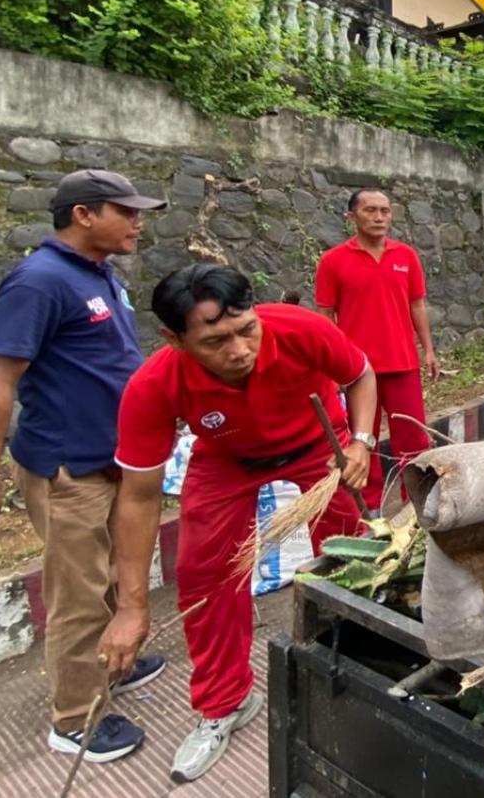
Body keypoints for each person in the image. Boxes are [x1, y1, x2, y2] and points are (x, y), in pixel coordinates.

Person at [100, 264, 379, 783]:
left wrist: (361, 441)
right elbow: (138, 496)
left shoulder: (300, 329)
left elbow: (360, 374)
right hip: (227, 460)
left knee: (355, 556)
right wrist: (131, 606)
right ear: (174, 339)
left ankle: (367, 666)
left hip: (319, 446)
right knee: (204, 576)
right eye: (215, 341)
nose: (239, 350)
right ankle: (224, 703)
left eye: (247, 329)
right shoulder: (154, 385)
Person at [0, 169, 167, 764]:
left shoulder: (99, 273)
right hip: (69, 468)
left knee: (113, 572)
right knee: (79, 592)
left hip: (113, 458)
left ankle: (111, 664)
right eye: (126, 211)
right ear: (83, 215)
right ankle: (76, 718)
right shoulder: (38, 281)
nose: (138, 222)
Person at [315, 188, 438, 498]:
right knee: (361, 440)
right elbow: (325, 316)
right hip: (357, 371)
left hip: (403, 363)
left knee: (413, 440)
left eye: (385, 210)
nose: (379, 217)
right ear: (351, 217)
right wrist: (332, 367)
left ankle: (416, 502)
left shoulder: (406, 256)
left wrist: (429, 350)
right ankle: (368, 506)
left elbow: (417, 305)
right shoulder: (332, 261)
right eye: (370, 210)